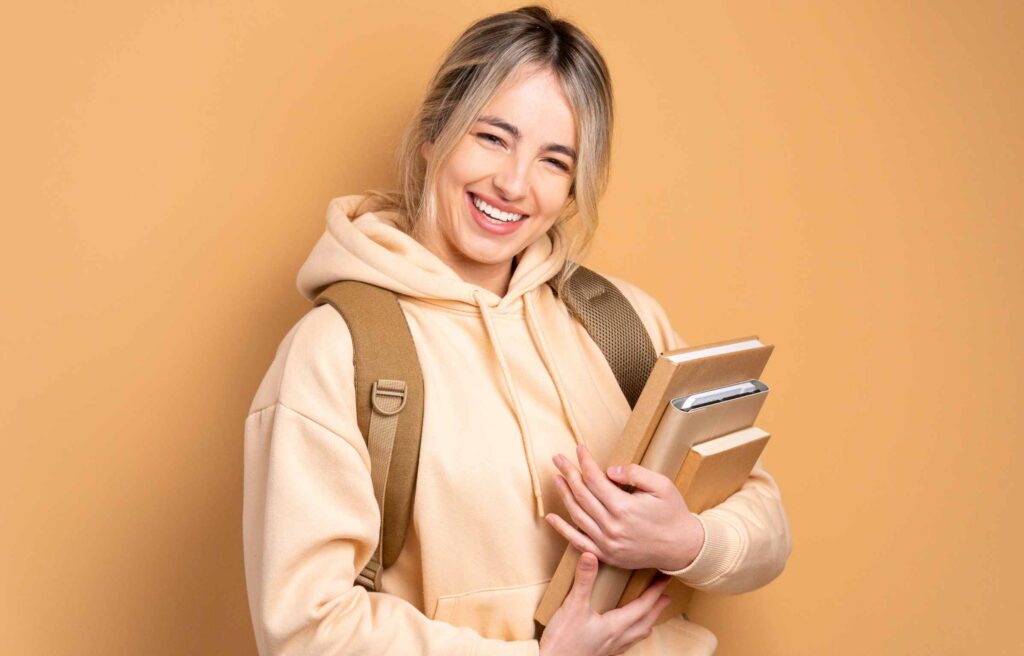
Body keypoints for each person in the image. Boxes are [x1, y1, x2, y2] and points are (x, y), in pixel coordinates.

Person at [242, 6, 791, 655]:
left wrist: (685, 541)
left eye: (553, 161)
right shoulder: (339, 352)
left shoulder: (623, 323)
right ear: (434, 133)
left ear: (573, 188)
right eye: (492, 137)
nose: (513, 183)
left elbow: (766, 523)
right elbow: (307, 628)